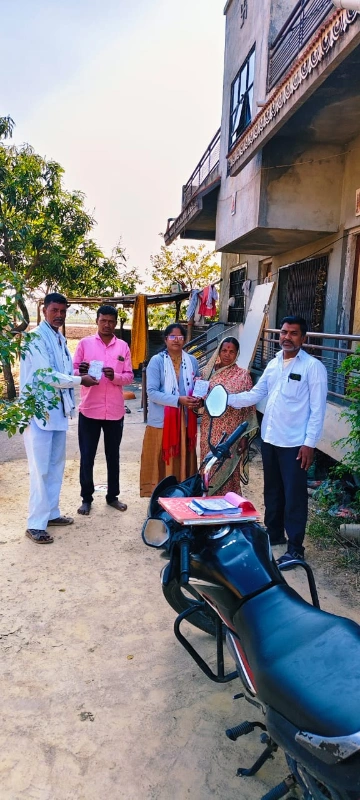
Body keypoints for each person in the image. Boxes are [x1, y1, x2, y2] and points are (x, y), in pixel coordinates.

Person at [227, 316, 328, 564]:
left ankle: (295, 548)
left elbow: (318, 410)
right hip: (270, 439)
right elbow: (256, 394)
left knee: (294, 496)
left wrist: (309, 444)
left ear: (303, 338)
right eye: (284, 332)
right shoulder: (273, 364)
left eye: (293, 333)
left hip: (295, 444)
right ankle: (274, 535)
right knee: (272, 490)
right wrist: (224, 398)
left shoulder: (313, 367)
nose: (287, 337)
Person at [20, 292, 98, 545]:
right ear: (44, 310)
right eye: (54, 310)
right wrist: (79, 380)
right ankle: (35, 524)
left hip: (57, 411)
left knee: (55, 466)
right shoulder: (34, 338)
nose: (59, 315)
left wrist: (78, 372)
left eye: (63, 311)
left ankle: (51, 513)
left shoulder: (59, 338)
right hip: (38, 412)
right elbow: (45, 375)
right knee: (40, 470)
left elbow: (62, 372)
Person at [73, 305, 134, 515]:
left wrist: (114, 376)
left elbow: (129, 376)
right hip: (89, 410)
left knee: (113, 456)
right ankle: (86, 498)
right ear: (97, 321)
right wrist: (80, 373)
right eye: (103, 321)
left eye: (110, 321)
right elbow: (72, 370)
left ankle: (112, 496)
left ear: (115, 323)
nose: (107, 325)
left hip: (115, 411)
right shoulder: (85, 344)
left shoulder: (123, 347)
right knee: (87, 456)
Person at [140, 323, 201, 497]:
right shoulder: (157, 361)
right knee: (162, 462)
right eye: (172, 337)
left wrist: (198, 397)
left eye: (180, 337)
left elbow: (196, 386)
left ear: (185, 340)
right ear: (166, 339)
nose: (176, 340)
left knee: (183, 461)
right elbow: (152, 393)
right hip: (162, 423)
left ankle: (182, 495)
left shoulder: (192, 361)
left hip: (186, 422)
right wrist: (178, 400)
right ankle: (161, 498)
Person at [199, 337, 258, 495]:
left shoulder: (243, 376)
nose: (227, 354)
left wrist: (244, 437)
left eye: (232, 351)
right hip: (210, 430)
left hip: (233, 433)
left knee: (229, 468)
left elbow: (249, 408)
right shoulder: (208, 373)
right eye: (224, 350)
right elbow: (200, 400)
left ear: (237, 354)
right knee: (209, 465)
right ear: (219, 351)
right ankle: (208, 502)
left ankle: (228, 503)